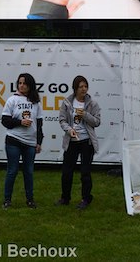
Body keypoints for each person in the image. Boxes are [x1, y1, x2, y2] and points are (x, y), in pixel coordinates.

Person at [56, 75, 101, 210]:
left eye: (85, 86)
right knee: (66, 172)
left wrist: (85, 115)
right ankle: (65, 198)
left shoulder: (93, 104)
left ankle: (86, 199)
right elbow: (62, 120)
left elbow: (97, 122)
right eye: (81, 87)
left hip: (87, 142)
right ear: (75, 88)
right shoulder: (67, 102)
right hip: (71, 141)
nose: (84, 89)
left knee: (85, 172)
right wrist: (69, 130)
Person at [1, 73, 44, 210]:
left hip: (30, 143)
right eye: (19, 83)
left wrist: (39, 142)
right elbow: (5, 121)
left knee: (29, 172)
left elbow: (39, 124)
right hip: (13, 140)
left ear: (30, 85)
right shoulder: (12, 100)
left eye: (24, 83)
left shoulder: (36, 102)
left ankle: (30, 200)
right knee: (12, 171)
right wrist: (20, 122)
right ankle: (7, 200)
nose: (21, 85)